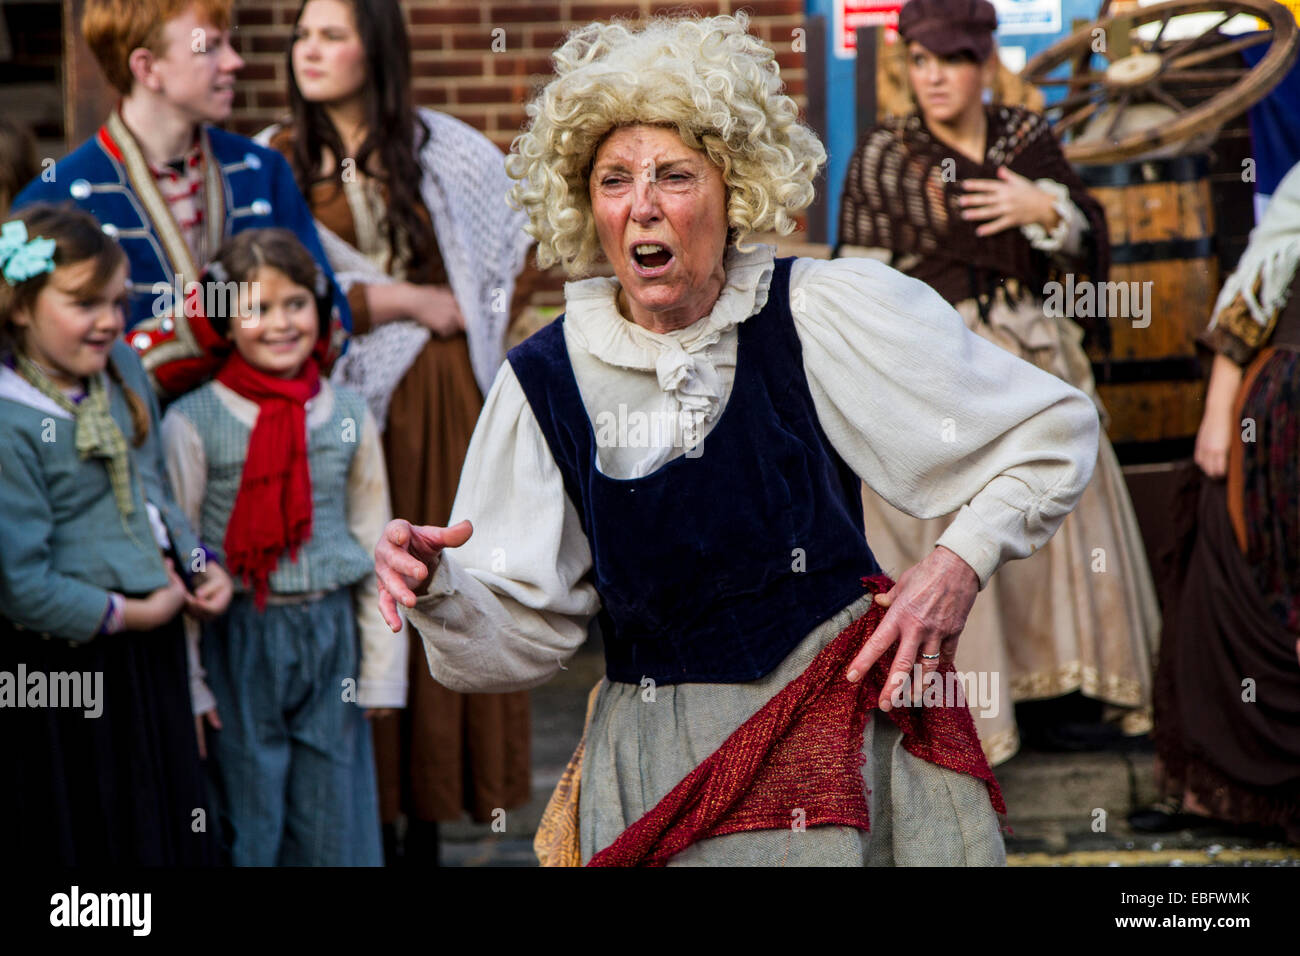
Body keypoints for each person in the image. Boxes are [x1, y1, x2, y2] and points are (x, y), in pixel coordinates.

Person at [373, 14, 1102, 867]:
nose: (642, 204)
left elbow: (1051, 430)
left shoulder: (818, 312)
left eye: (675, 176)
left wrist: (957, 564)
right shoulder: (543, 380)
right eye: (614, 180)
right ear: (586, 204)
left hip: (842, 740)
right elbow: (522, 636)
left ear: (734, 190)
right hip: (658, 768)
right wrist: (441, 588)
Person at [837, 0, 1159, 765]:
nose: (934, 77)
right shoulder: (888, 153)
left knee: (1061, 510)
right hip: (937, 360)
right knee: (956, 517)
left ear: (984, 63)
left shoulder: (1024, 137)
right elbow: (857, 279)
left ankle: (1063, 694)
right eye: (920, 61)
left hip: (1029, 350)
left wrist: (1040, 205)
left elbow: (1084, 237)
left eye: (950, 60)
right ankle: (981, 706)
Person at [258, 0, 537, 864]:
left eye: (332, 34)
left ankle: (436, 810)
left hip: (442, 406)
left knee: (439, 591)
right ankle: (367, 818)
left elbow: (515, 249)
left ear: (374, 48)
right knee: (362, 605)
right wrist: (403, 302)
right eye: (303, 34)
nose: (311, 50)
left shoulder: (442, 149)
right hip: (331, 409)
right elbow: (273, 279)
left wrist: (473, 327)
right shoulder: (276, 159)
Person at [159, 228, 405, 866]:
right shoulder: (192, 421)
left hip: (330, 637)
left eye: (295, 304)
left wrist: (380, 676)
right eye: (256, 308)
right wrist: (193, 688)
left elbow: (374, 543)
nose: (279, 323)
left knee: (334, 812)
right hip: (238, 637)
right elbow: (181, 554)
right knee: (249, 808)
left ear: (318, 309)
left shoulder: (347, 413)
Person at [0, 204, 232, 864]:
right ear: (20, 306)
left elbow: (155, 490)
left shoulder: (123, 372)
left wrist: (195, 564)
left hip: (146, 651)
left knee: (151, 819)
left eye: (117, 301)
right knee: (87, 825)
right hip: (64, 664)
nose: (108, 320)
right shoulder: (12, 417)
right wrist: (129, 613)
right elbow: (19, 582)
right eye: (82, 303)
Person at [10, 0, 350, 398]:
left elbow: (330, 313)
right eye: (211, 48)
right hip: (134, 446)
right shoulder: (56, 196)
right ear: (147, 68)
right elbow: (34, 359)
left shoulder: (262, 169)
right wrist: (199, 329)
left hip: (271, 437)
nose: (234, 62)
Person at [1132, 161, 1300, 841]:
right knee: (1220, 581)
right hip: (1280, 418)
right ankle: (1218, 798)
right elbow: (1257, 288)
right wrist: (1218, 413)